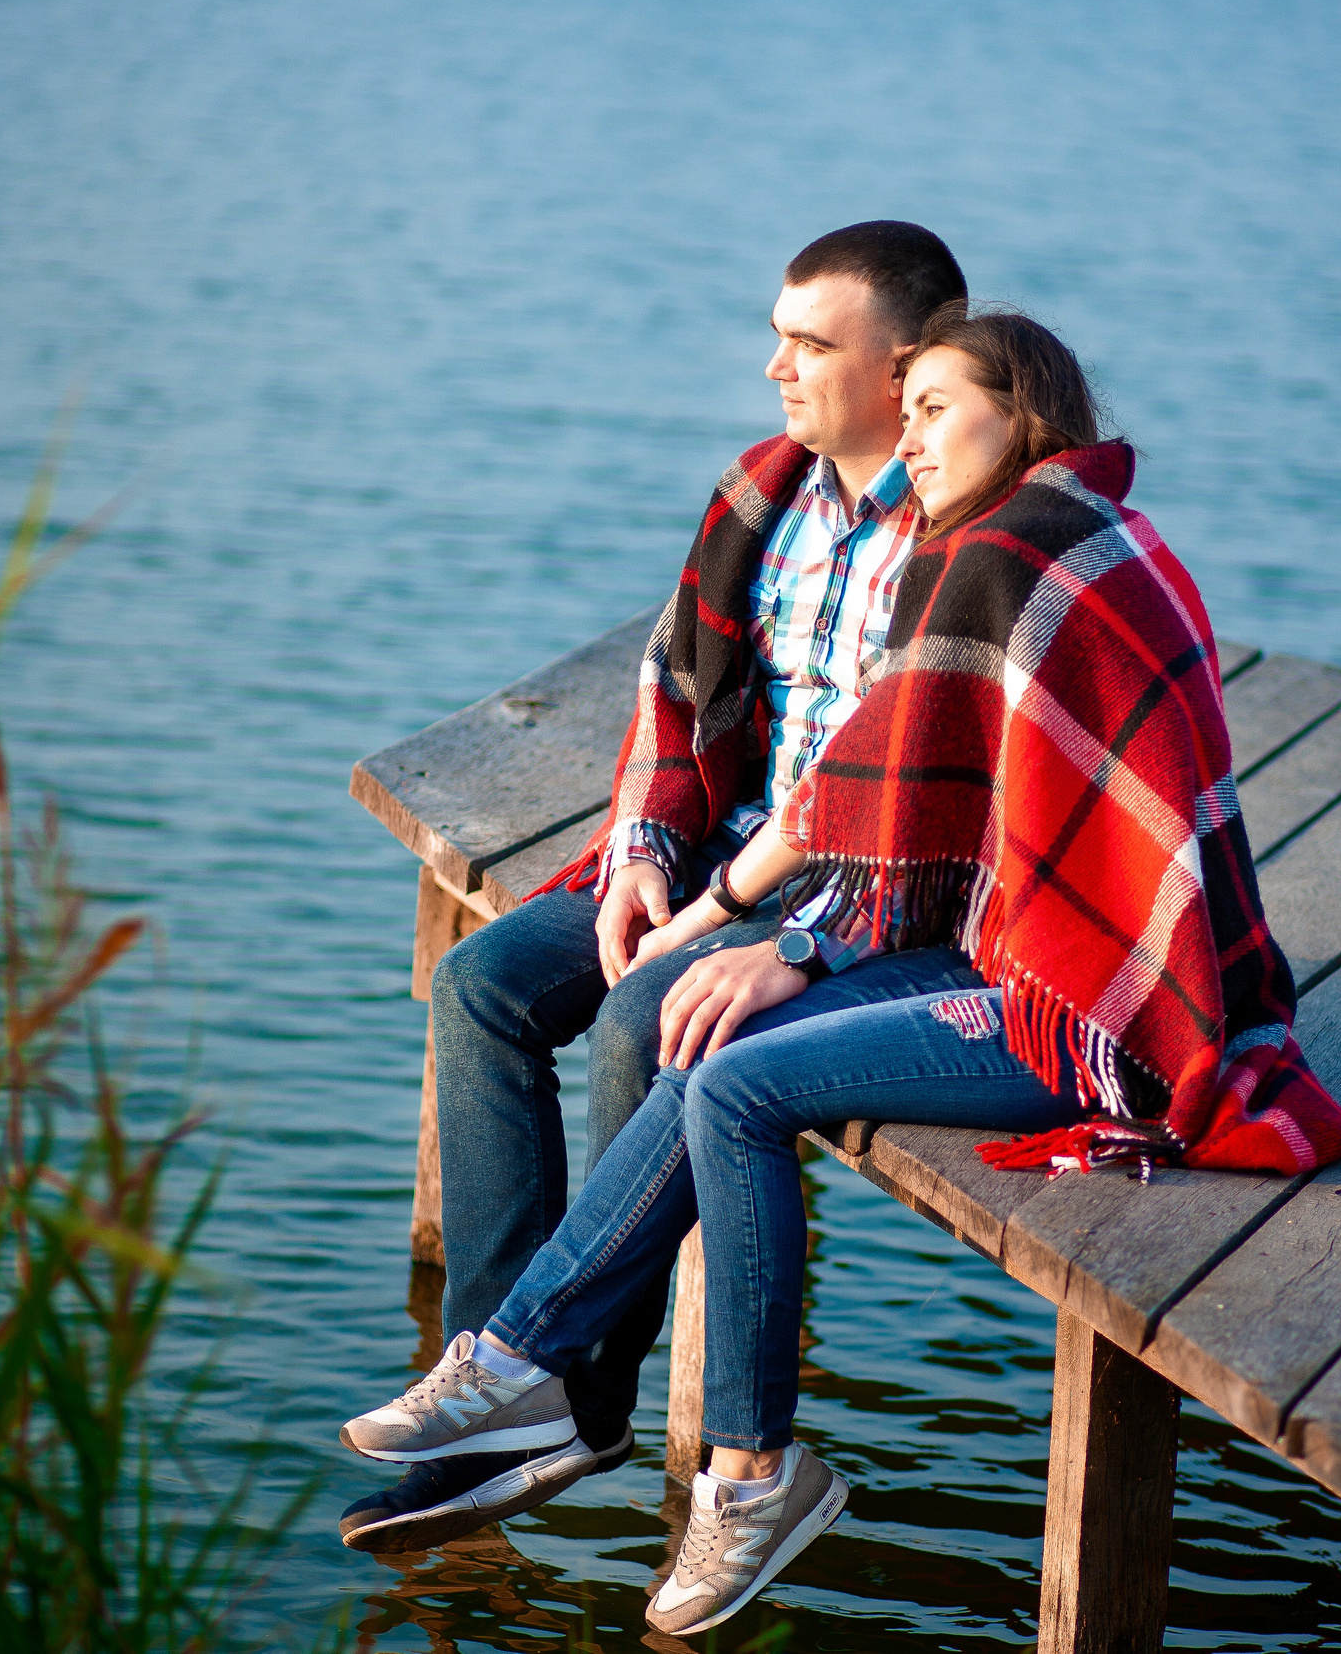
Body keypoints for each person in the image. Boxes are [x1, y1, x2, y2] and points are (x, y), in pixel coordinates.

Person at [339, 303, 1341, 1631]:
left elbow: (864, 805)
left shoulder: (1012, 552)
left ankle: (588, 1397)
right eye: (915, 409)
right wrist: (710, 897)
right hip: (1055, 961)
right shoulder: (1087, 531)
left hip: (1082, 1008)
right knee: (705, 1063)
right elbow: (867, 795)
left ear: (1027, 411)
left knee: (727, 1073)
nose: (917, 436)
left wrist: (768, 942)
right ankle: (597, 1403)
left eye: (939, 408)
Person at [337, 224, 984, 1553]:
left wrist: (721, 921)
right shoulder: (765, 494)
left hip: (856, 899)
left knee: (649, 1022)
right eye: (778, 334)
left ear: (906, 361)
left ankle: (575, 1397)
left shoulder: (961, 531)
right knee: (485, 980)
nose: (775, 368)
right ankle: (495, 1382)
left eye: (810, 343)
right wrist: (641, 857)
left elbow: (901, 789)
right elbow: (674, 690)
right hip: (716, 848)